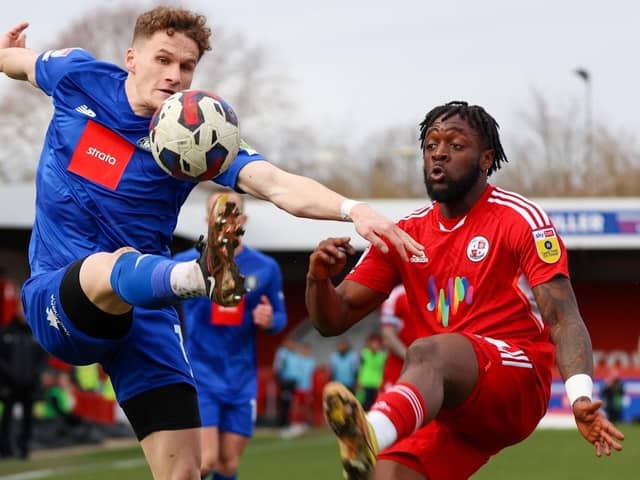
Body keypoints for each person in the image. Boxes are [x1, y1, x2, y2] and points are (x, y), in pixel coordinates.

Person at [0, 7, 422, 479]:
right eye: (163, 60)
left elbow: (276, 183)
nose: (174, 76)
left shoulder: (198, 137)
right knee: (108, 264)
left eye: (186, 67)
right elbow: (23, 64)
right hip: (60, 295)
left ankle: (195, 276)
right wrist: (6, 56)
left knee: (187, 472)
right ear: (132, 58)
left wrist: (353, 209)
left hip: (149, 311)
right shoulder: (79, 76)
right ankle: (198, 275)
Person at [305, 101, 625, 479]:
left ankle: (371, 431)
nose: (439, 154)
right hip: (451, 405)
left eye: (455, 146)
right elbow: (334, 317)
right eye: (430, 146)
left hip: (516, 380)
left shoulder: (521, 219)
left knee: (429, 350)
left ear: (486, 159)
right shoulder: (403, 234)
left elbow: (563, 315)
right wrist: (318, 279)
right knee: (388, 474)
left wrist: (580, 394)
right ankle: (374, 444)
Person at [175, 189, 288, 479]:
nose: (225, 217)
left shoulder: (265, 268)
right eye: (219, 210)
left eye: (232, 210)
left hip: (241, 379)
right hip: (201, 374)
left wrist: (268, 319)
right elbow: (155, 304)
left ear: (244, 218)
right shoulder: (186, 264)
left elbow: (280, 317)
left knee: (228, 464)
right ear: (207, 219)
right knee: (206, 461)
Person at [0, 298, 48, 459]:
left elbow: (42, 359)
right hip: (9, 384)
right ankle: (5, 450)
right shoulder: (6, 332)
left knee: (28, 419)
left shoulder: (35, 333)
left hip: (30, 385)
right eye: (20, 308)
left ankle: (24, 449)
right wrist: (7, 376)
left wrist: (35, 376)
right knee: (7, 418)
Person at [379, 285, 413, 391]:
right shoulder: (397, 295)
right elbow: (388, 336)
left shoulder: (437, 292)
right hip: (398, 372)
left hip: (431, 373)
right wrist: (412, 358)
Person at [273, 337, 299, 430]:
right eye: (290, 343)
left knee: (289, 402)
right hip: (285, 382)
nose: (292, 346)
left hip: (292, 382)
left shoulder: (293, 354)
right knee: (285, 402)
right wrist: (280, 381)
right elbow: (278, 367)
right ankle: (282, 422)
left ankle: (287, 421)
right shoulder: (282, 353)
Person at [356, 333, 386, 410]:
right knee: (364, 403)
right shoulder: (364, 354)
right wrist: (359, 381)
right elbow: (360, 368)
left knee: (375, 403)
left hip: (377, 384)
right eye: (373, 343)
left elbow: (384, 370)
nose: (374, 346)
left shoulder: (382, 356)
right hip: (365, 383)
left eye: (376, 344)